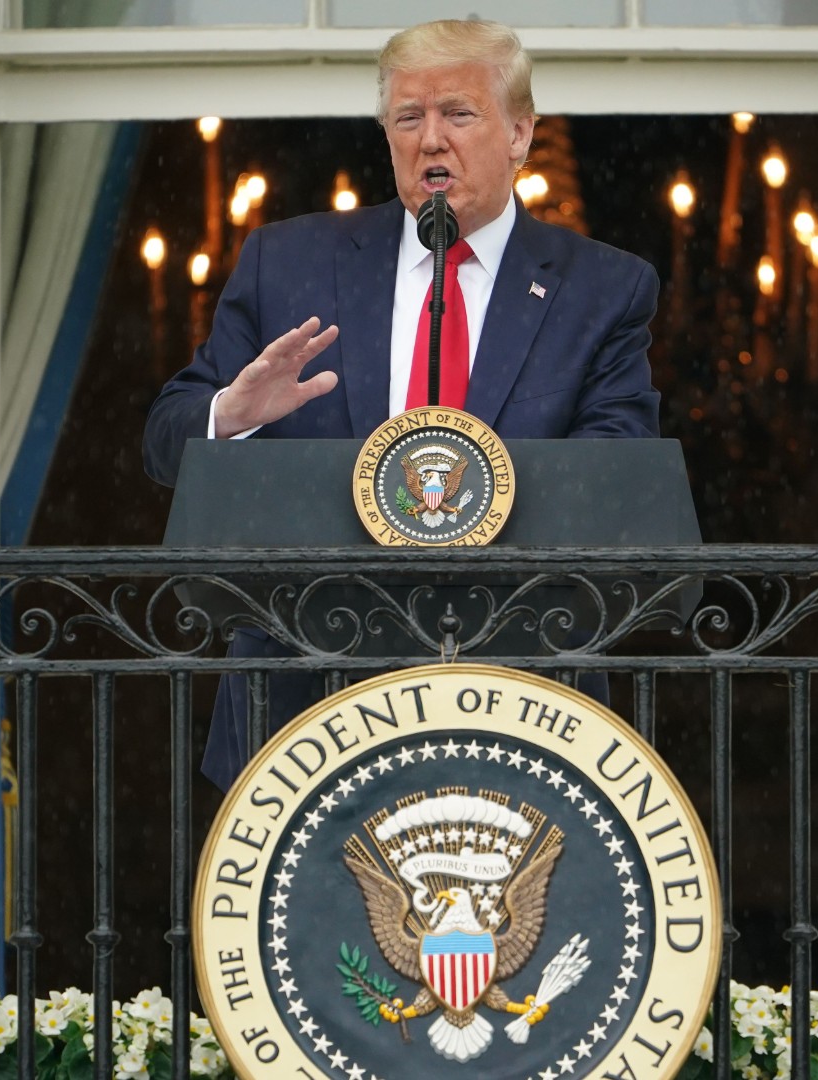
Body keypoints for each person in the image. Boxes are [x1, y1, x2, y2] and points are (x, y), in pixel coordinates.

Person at [143, 18, 662, 788]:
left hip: (514, 717)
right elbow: (164, 442)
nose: (430, 141)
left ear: (520, 133)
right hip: (305, 719)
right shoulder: (288, 264)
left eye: (458, 114)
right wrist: (233, 413)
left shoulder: (602, 289)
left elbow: (613, 482)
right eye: (408, 118)